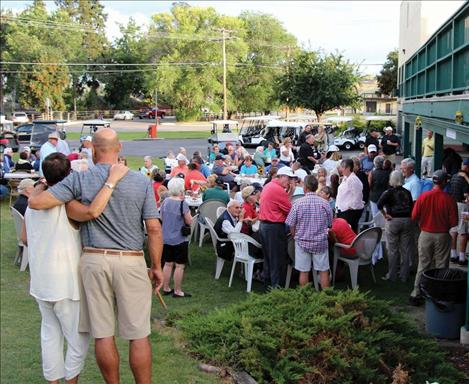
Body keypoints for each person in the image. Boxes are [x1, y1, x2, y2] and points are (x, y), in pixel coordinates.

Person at [28, 128, 164, 383]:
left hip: (94, 259)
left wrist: (40, 184)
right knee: (138, 334)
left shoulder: (80, 179)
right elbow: (154, 228)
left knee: (103, 334)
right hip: (131, 259)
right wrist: (156, 265)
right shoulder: (141, 181)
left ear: (92, 150)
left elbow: (38, 202)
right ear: (119, 148)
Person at [24, 152, 129, 384]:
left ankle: (53, 381)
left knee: (49, 335)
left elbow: (25, 237)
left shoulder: (34, 205)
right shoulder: (67, 205)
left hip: (41, 280)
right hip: (66, 283)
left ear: (45, 176)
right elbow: (93, 211)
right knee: (77, 340)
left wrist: (41, 186)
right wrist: (111, 182)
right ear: (69, 174)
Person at [409, 170, 458, 306]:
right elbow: (454, 222)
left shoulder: (423, 196)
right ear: (444, 182)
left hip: (425, 234)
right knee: (441, 267)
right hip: (442, 235)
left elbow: (413, 216)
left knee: (423, 265)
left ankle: (416, 292)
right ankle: (438, 295)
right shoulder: (449, 199)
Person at [286, 175, 333, 288]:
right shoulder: (325, 203)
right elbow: (330, 224)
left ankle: (305, 298)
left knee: (304, 271)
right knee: (323, 271)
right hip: (320, 242)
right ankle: (326, 299)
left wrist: (295, 235)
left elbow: (291, 224)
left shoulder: (298, 203)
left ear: (305, 187)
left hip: (302, 241)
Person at [259, 167, 294, 288]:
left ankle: (268, 285)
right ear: (282, 176)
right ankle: (277, 289)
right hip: (274, 227)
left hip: (265, 226)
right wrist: (291, 193)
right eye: (289, 179)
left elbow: (283, 205)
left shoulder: (269, 185)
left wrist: (288, 193)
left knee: (269, 259)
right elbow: (291, 210)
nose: (289, 182)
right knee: (277, 260)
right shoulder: (278, 189)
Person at [377, 170, 414, 282]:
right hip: (407, 220)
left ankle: (392, 275)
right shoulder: (407, 192)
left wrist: (385, 215)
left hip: (393, 221)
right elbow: (412, 206)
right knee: (405, 249)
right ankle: (404, 276)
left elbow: (379, 205)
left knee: (392, 250)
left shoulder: (388, 192)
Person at [160, 178, 193, 298]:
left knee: (167, 264)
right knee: (179, 266)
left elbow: (162, 217)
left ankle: (166, 287)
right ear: (181, 189)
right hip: (179, 238)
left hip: (166, 237)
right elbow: (189, 220)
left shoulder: (165, 202)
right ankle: (178, 291)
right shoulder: (182, 204)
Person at [449, 158, 469, 265]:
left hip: (453, 204)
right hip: (463, 206)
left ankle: (453, 255)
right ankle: (461, 258)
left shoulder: (454, 175)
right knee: (463, 232)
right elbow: (466, 196)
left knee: (454, 230)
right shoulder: (465, 177)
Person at [336, 159, 364, 233]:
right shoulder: (346, 178)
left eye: (342, 167)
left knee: (350, 232)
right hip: (343, 209)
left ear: (348, 168)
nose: (341, 169)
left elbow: (358, 195)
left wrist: (351, 207)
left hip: (349, 212)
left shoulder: (353, 180)